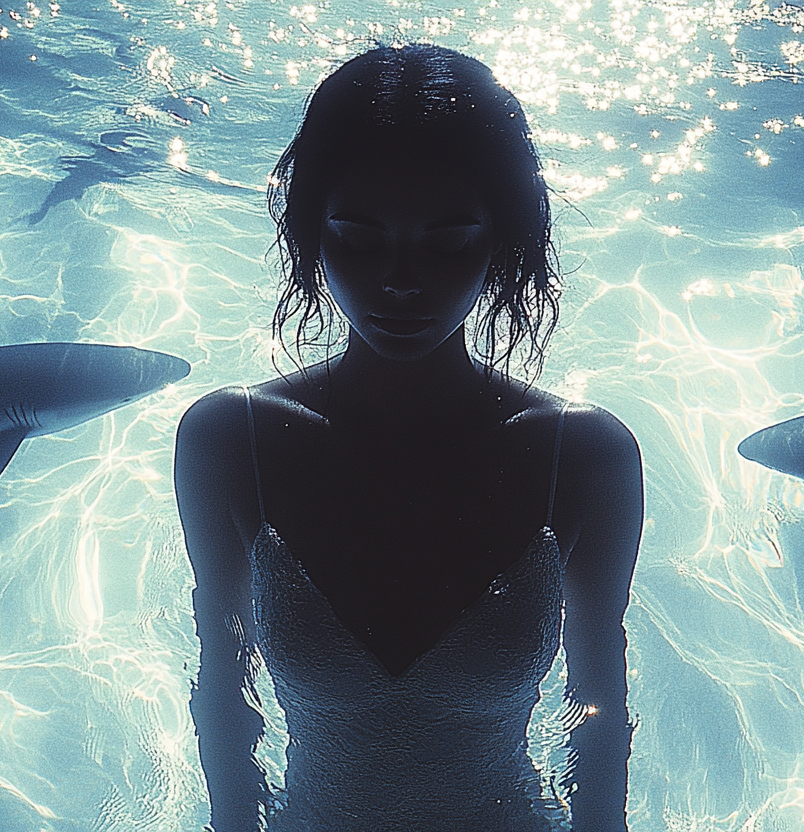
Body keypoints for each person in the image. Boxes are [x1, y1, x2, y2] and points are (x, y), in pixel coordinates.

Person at [175, 42, 643, 832]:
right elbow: (225, 697)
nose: (399, 281)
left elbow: (598, 719)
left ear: (506, 240)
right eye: (358, 237)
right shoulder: (230, 443)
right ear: (309, 234)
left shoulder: (585, 458)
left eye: (447, 239)